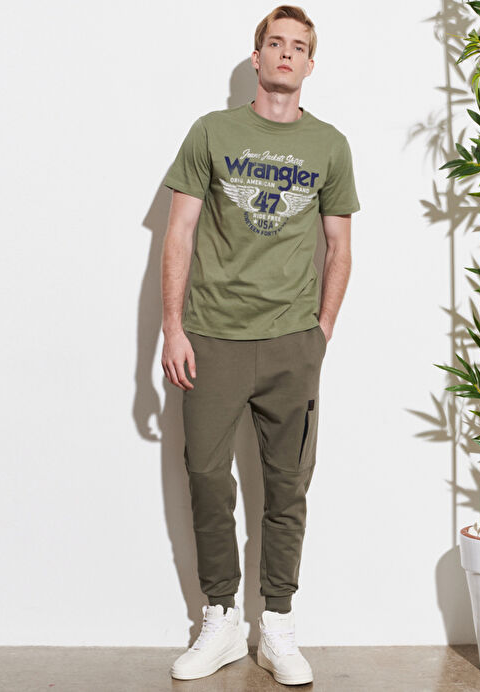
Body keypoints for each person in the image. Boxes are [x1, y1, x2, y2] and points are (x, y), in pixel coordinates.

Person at [161, 4, 360, 685]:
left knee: (287, 487)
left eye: (298, 46)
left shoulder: (329, 145)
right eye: (275, 43)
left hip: (291, 345)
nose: (285, 54)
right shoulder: (211, 132)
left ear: (310, 64)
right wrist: (172, 328)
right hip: (211, 338)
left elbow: (340, 247)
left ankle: (277, 624)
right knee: (205, 477)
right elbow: (179, 233)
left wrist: (320, 332)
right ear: (257, 57)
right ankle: (219, 620)